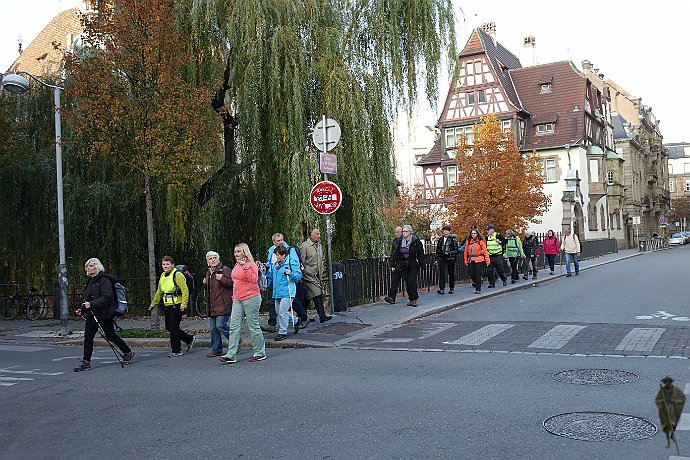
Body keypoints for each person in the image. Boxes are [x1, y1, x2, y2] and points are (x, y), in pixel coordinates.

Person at [73, 258, 134, 371]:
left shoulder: (104, 280)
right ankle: (86, 362)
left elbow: (106, 298)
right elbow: (86, 298)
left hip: (104, 313)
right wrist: (81, 309)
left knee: (111, 336)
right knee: (88, 337)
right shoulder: (89, 281)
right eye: (87, 266)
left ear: (97, 266)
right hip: (92, 314)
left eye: (91, 266)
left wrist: (92, 304)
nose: (88, 268)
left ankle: (127, 352)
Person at [219, 243, 267, 363]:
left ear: (245, 252)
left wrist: (245, 267)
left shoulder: (252, 265)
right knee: (234, 326)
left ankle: (260, 353)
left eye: (239, 251)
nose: (236, 254)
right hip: (237, 299)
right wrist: (234, 296)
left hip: (251, 297)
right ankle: (231, 354)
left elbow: (253, 279)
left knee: (253, 326)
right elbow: (235, 281)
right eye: (235, 252)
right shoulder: (236, 265)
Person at [260, 233, 310, 332]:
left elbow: (296, 271)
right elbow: (270, 266)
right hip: (276, 284)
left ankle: (282, 331)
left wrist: (291, 273)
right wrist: (263, 267)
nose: (280, 242)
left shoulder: (290, 251)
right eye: (278, 241)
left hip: (287, 284)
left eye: (281, 240)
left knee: (283, 309)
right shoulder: (272, 251)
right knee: (279, 309)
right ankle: (298, 319)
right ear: (274, 242)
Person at [149, 255, 194, 357]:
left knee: (173, 327)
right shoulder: (163, 275)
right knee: (169, 327)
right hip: (168, 304)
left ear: (172, 265)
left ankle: (176, 350)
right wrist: (153, 304)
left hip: (177, 304)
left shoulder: (177, 275)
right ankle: (188, 339)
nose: (165, 266)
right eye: (163, 264)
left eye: (167, 264)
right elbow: (159, 291)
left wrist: (184, 304)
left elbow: (184, 289)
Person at [267, 245, 302, 341]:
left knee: (282, 312)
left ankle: (282, 332)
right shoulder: (275, 265)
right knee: (279, 312)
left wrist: (290, 273)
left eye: (279, 255)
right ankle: (296, 320)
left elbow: (298, 276)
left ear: (284, 255)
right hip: (277, 292)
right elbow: (271, 276)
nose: (277, 257)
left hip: (288, 292)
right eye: (276, 255)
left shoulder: (290, 263)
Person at [202, 251, 233, 357]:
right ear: (208, 262)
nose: (213, 260)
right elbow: (211, 290)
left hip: (223, 304)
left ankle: (235, 341)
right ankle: (216, 349)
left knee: (221, 325)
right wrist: (205, 284)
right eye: (210, 259)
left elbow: (233, 283)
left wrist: (222, 279)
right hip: (212, 305)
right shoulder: (209, 272)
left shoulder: (224, 269)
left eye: (215, 258)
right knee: (213, 329)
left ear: (218, 259)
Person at [299, 228, 332, 323]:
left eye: (319, 233)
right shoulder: (305, 246)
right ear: (311, 235)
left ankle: (303, 317)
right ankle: (322, 316)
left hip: (317, 275)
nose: (319, 235)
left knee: (308, 296)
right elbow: (301, 262)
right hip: (308, 276)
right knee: (317, 293)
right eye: (317, 234)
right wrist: (302, 275)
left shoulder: (319, 246)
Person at [387, 225, 425, 306]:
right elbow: (397, 254)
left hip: (414, 263)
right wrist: (393, 264)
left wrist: (423, 265)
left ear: (410, 232)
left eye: (406, 231)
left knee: (412, 281)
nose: (404, 233)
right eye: (403, 231)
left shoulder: (416, 241)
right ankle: (411, 299)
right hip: (405, 264)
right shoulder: (401, 242)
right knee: (408, 283)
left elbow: (421, 254)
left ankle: (414, 298)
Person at [655, 376, 686, 449]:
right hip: (665, 410)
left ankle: (672, 435)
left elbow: (682, 398)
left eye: (668, 382)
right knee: (667, 425)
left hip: (674, 409)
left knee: (674, 423)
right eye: (665, 383)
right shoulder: (662, 390)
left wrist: (674, 401)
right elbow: (657, 399)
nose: (667, 384)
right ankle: (668, 440)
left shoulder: (676, 389)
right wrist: (662, 401)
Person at [464, 228, 490, 294]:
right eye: (472, 233)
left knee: (478, 274)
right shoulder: (468, 241)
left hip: (479, 259)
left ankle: (478, 288)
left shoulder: (481, 241)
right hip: (471, 259)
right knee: (471, 273)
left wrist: (487, 261)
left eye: (474, 233)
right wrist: (465, 260)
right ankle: (477, 283)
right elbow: (465, 251)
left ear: (477, 234)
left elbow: (485, 251)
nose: (473, 234)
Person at [435, 225, 459, 294]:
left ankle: (451, 288)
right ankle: (441, 288)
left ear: (449, 232)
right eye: (444, 230)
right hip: (442, 258)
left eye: (447, 231)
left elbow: (456, 250)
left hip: (450, 258)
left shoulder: (453, 240)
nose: (446, 232)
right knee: (442, 273)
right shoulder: (440, 239)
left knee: (451, 273)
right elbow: (438, 250)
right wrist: (436, 258)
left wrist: (449, 253)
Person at [384, 226, 404, 304]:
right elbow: (393, 253)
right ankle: (391, 297)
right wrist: (392, 265)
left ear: (401, 232)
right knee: (394, 281)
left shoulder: (405, 240)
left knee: (409, 282)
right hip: (397, 264)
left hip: (404, 263)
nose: (395, 234)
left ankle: (413, 298)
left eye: (397, 232)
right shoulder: (395, 241)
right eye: (395, 232)